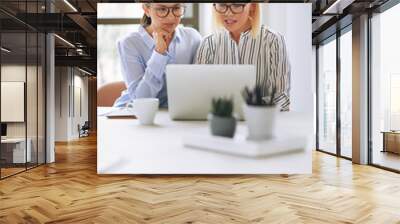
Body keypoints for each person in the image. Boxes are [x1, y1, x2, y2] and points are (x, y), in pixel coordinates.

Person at [195, 3, 291, 111]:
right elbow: (200, 95)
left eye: (236, 5)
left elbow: (281, 98)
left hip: (259, 122)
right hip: (221, 121)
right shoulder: (208, 43)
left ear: (253, 6)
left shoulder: (273, 40)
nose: (228, 12)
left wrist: (250, 109)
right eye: (222, 4)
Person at [114, 3, 202, 107]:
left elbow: (199, 85)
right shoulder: (129, 43)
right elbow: (141, 100)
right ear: (147, 9)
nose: (171, 17)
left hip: (176, 113)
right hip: (134, 113)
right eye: (162, 9)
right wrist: (159, 53)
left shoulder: (192, 38)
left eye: (176, 8)